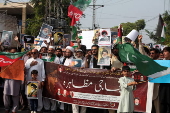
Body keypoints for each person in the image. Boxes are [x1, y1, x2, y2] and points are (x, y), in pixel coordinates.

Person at [3, 47, 22, 113]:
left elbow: (22, 69)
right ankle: (6, 108)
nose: (14, 54)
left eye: (15, 52)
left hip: (16, 80)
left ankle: (14, 109)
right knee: (6, 94)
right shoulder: (6, 59)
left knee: (15, 94)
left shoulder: (20, 60)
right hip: (7, 79)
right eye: (12, 52)